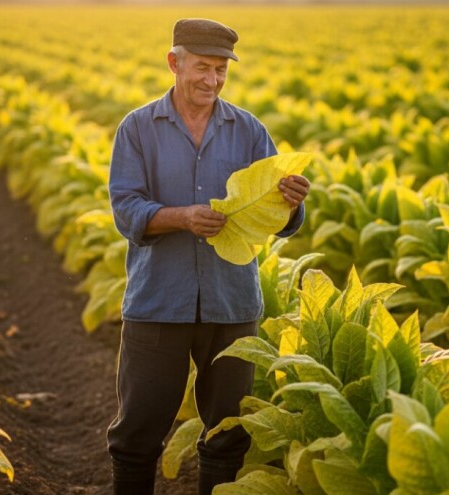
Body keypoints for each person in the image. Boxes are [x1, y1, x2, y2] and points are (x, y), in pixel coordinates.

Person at [106, 17, 310, 495]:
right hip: (159, 301)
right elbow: (126, 209)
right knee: (137, 436)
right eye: (202, 67)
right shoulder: (138, 128)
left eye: (221, 70)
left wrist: (292, 201)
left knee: (227, 436)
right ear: (174, 63)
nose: (212, 80)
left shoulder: (249, 129)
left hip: (231, 304)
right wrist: (182, 217)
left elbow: (278, 221)